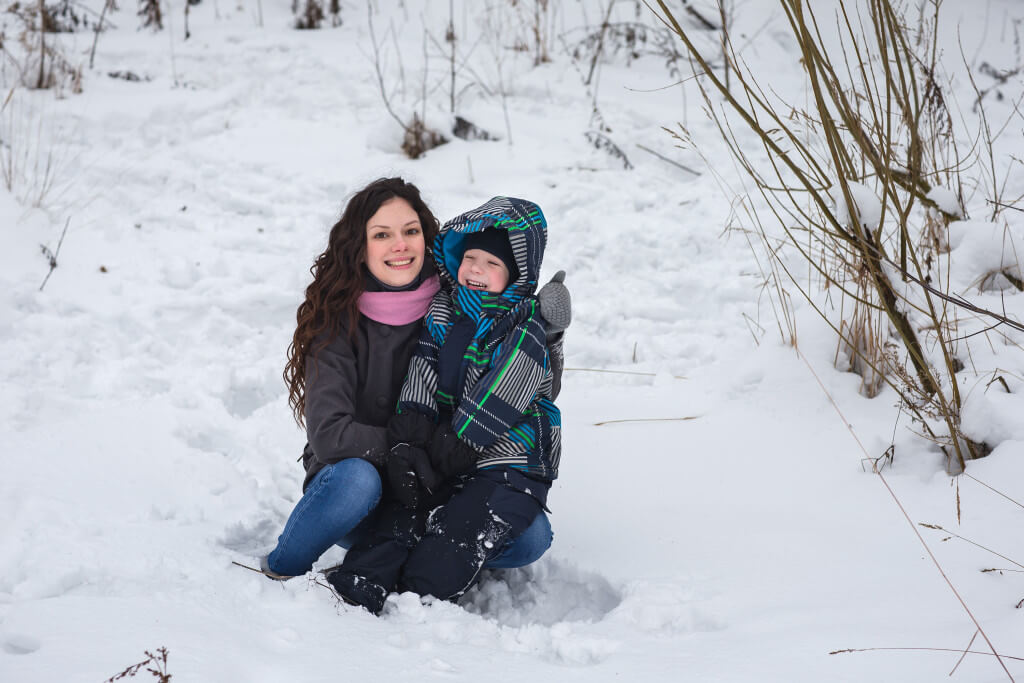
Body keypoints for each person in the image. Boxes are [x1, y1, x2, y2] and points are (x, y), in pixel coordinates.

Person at [261, 179, 569, 582]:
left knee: (531, 537)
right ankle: (286, 561)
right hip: (363, 482)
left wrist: (547, 336)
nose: (399, 245)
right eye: (382, 235)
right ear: (361, 244)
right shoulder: (337, 318)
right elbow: (330, 435)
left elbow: (522, 388)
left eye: (410, 231)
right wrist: (411, 446)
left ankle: (431, 554)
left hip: (445, 475)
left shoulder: (458, 295)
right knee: (357, 482)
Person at [325, 196, 561, 614]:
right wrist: (409, 438)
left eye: (492, 264)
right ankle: (362, 579)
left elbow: (505, 391)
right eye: (470, 257)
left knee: (464, 527)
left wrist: (460, 442)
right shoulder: (444, 314)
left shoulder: (522, 328)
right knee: (405, 510)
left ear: (515, 275)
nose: (476, 270)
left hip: (507, 464)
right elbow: (423, 371)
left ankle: (422, 594)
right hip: (450, 453)